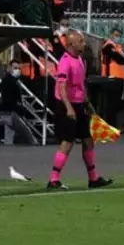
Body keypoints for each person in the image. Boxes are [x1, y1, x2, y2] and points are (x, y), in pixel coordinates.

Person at [47, 30, 112, 190]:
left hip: (78, 103)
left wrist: (86, 102)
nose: (84, 43)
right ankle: (53, 178)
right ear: (71, 44)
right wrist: (69, 108)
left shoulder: (81, 60)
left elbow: (80, 84)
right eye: (81, 41)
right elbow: (61, 87)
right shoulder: (65, 62)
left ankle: (93, 178)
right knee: (67, 141)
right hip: (65, 104)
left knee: (88, 140)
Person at [0, 60, 37, 146]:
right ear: (9, 68)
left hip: (5, 112)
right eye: (15, 68)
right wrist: (21, 108)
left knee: (9, 133)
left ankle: (8, 147)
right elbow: (12, 100)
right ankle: (35, 144)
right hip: (11, 113)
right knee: (27, 133)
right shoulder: (12, 81)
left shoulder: (8, 80)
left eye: (19, 68)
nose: (18, 70)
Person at [100, 27, 124, 130]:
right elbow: (121, 60)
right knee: (111, 104)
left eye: (119, 36)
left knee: (116, 103)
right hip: (111, 78)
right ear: (111, 35)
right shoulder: (108, 47)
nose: (117, 37)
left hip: (119, 78)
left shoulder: (117, 47)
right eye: (115, 35)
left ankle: (113, 125)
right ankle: (109, 126)